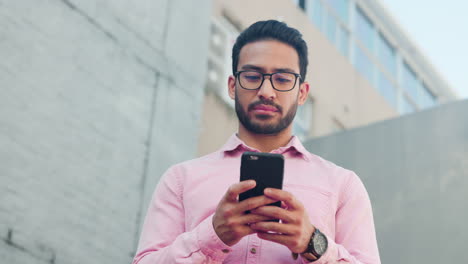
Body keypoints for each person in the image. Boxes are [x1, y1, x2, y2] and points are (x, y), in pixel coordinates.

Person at [132, 20, 381, 264]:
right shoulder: (181, 180)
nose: (266, 91)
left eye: (282, 79)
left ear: (302, 93)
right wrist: (211, 235)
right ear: (232, 86)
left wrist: (312, 243)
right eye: (252, 76)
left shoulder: (342, 186)